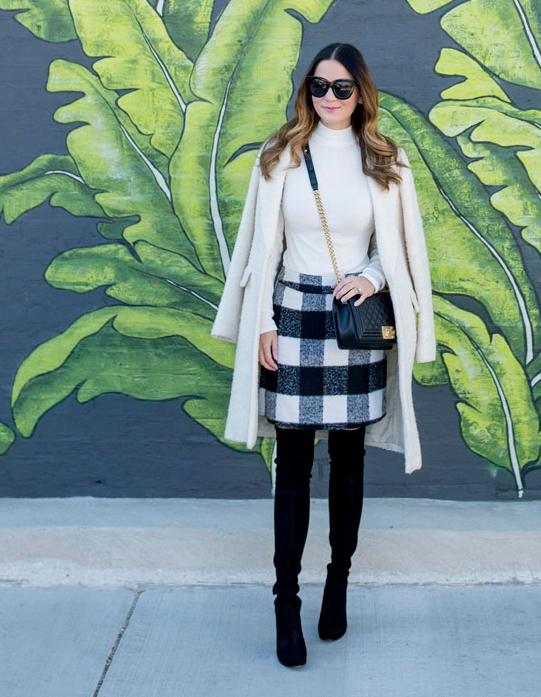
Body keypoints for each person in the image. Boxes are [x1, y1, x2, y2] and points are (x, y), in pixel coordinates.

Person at [211, 41, 436, 668]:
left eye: (341, 88)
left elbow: (399, 247)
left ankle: (338, 583)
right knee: (291, 465)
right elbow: (261, 247)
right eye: (318, 86)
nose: (329, 99)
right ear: (305, 91)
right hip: (293, 317)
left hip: (351, 321)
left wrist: (372, 276)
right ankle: (287, 602)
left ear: (362, 93)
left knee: (347, 461)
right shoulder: (280, 156)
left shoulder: (387, 162)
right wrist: (263, 322)